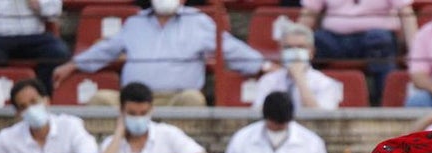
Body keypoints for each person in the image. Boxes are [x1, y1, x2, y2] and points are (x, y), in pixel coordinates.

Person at [51, 0, 271, 107]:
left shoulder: (198, 22)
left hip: (177, 98)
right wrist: (73, 65)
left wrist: (265, 66)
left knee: (193, 100)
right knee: (100, 100)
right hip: (134, 100)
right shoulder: (135, 22)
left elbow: (230, 48)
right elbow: (105, 50)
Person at [298, 0, 418, 107]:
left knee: (380, 40)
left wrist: (414, 51)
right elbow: (309, 14)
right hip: (334, 39)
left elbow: (406, 13)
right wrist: (295, 48)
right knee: (315, 42)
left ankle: (384, 103)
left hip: (374, 38)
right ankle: (310, 100)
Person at [0, 78, 98, 153]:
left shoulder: (70, 126)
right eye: (23, 106)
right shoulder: (10, 136)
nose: (30, 109)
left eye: (34, 102)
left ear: (46, 101)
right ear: (18, 114)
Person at [97, 82, 214, 153]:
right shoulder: (111, 143)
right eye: (132, 113)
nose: (138, 118)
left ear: (151, 110)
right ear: (122, 111)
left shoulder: (169, 134)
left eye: (143, 113)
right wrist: (119, 133)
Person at [223, 91, 331, 153]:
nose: (278, 126)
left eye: (282, 123)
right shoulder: (242, 138)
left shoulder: (312, 143)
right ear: (266, 118)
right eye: (275, 122)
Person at [250, 22, 343, 112]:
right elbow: (257, 115)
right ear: (281, 51)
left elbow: (322, 120)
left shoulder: (325, 84)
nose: (295, 52)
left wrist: (299, 77)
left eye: (301, 47)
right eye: (288, 47)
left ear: (311, 52)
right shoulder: (268, 81)